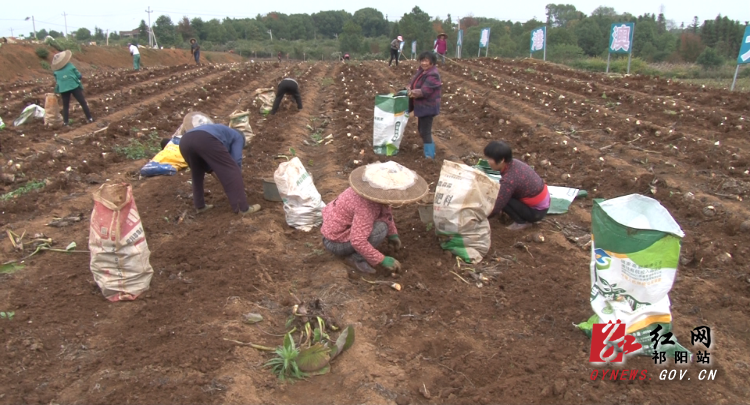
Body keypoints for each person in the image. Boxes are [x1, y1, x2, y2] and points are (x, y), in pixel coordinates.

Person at [321, 161, 428, 274]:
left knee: (382, 224)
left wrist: (393, 235)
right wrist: (381, 260)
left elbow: (385, 211)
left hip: (333, 232)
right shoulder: (367, 207)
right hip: (335, 243)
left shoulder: (369, 193)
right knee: (381, 228)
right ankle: (356, 259)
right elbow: (358, 241)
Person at [178, 115, 261, 215]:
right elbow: (236, 161)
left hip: (185, 141)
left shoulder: (223, 133)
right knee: (232, 168)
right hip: (205, 139)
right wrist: (237, 182)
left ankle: (200, 206)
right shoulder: (238, 137)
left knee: (197, 174)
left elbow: (209, 166)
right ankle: (243, 208)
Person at [484, 141, 549, 230]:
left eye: (490, 159)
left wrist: (482, 217)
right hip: (542, 203)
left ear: (502, 160)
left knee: (502, 197)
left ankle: (521, 222)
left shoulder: (509, 179)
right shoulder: (514, 163)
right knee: (502, 191)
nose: (488, 162)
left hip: (536, 212)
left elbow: (498, 205)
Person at [407, 51, 442, 159]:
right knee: (421, 130)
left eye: (426, 61)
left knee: (425, 131)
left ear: (432, 62)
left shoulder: (433, 75)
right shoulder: (421, 71)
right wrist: (408, 88)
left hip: (428, 107)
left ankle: (430, 156)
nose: (424, 63)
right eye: (422, 60)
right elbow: (413, 83)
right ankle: (429, 150)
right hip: (422, 106)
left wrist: (411, 92)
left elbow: (425, 91)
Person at [51, 50, 94, 125]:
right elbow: (79, 76)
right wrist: (78, 77)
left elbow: (57, 80)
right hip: (74, 86)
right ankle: (89, 118)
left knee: (65, 106)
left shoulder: (56, 71)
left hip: (63, 89)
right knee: (82, 102)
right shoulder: (70, 65)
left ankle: (65, 122)